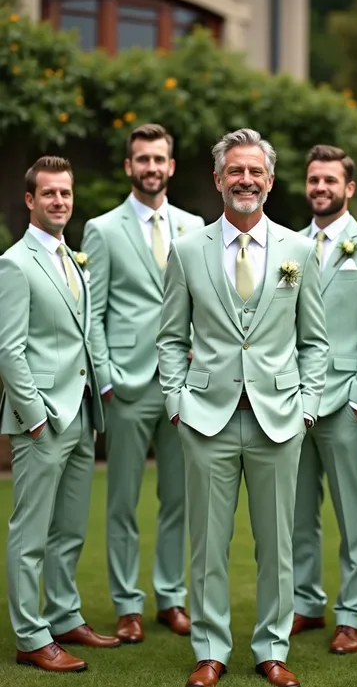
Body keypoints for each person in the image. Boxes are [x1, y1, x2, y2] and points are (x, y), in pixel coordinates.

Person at [158, 128, 329, 687]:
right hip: (205, 416)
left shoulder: (300, 252)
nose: (246, 180)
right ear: (217, 179)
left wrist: (306, 407)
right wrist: (176, 402)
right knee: (208, 543)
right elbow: (168, 337)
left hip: (279, 417)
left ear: (271, 180)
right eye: (236, 171)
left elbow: (316, 342)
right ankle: (210, 651)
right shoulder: (186, 250)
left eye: (255, 171)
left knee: (277, 546)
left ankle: (272, 650)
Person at [82, 124, 204, 643]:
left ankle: (171, 598)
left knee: (179, 499)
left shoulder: (196, 225)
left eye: (159, 159)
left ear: (171, 166)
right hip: (127, 386)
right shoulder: (103, 229)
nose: (151, 167)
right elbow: (93, 313)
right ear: (129, 166)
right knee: (123, 501)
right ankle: (128, 605)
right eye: (141, 159)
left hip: (184, 385)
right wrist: (106, 380)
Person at [0, 156, 120, 673]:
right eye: (48, 194)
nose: (59, 202)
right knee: (30, 534)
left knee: (69, 529)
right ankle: (31, 636)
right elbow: (9, 350)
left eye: (65, 194)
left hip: (81, 414)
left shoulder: (72, 257)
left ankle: (65, 615)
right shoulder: (15, 262)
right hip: (43, 418)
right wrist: (35, 416)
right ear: (30, 200)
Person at [292, 145, 357, 653]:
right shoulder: (287, 245)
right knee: (295, 512)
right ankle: (305, 604)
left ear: (349, 188)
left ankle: (350, 615)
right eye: (313, 180)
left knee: (352, 514)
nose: (320, 188)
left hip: (343, 405)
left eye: (330, 180)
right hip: (290, 402)